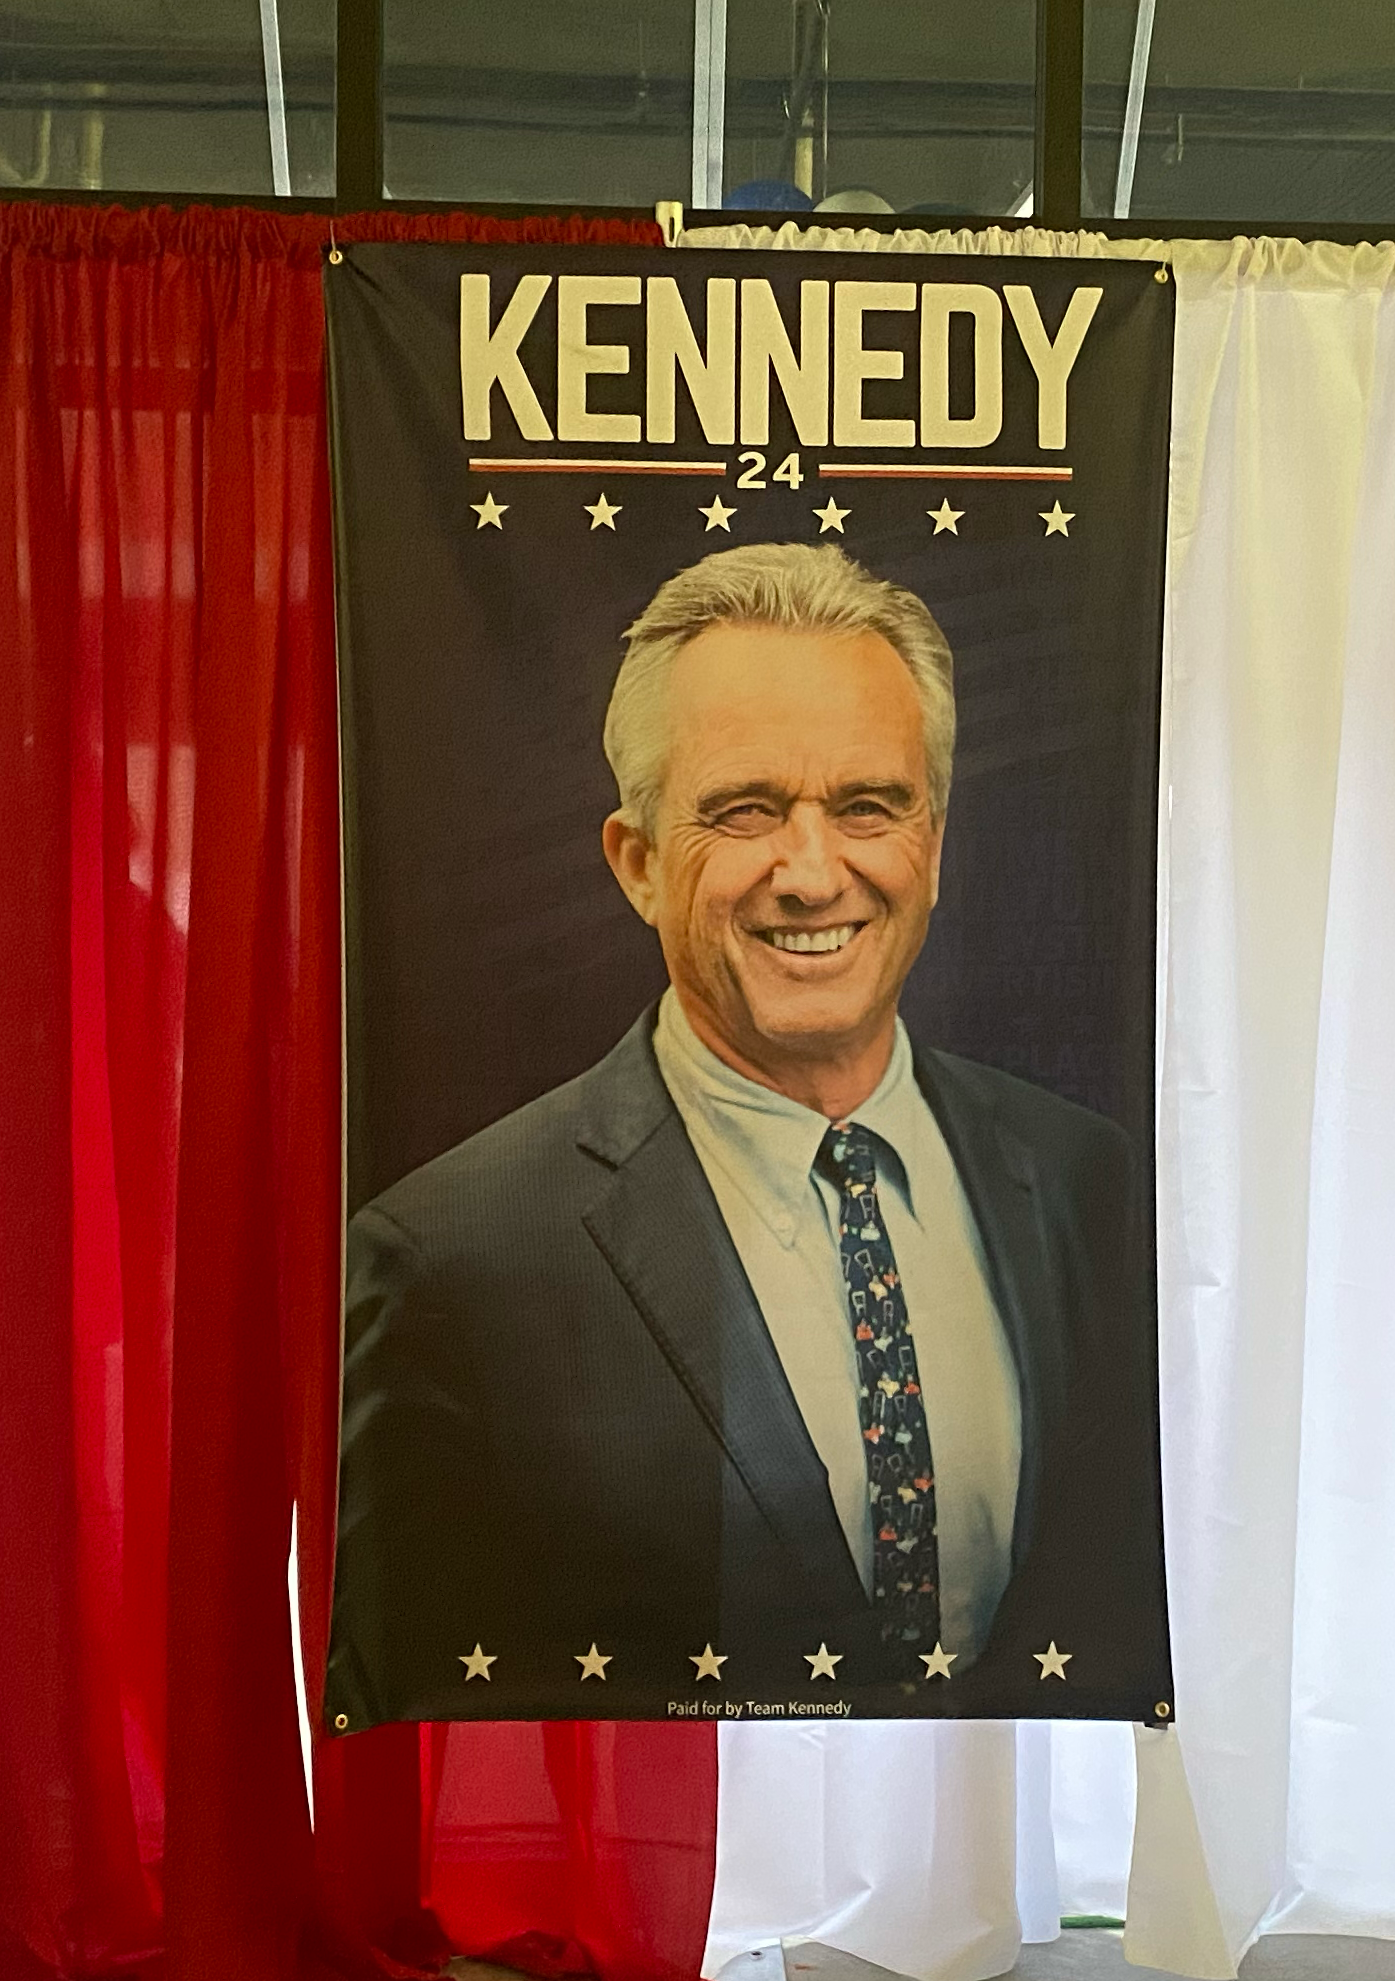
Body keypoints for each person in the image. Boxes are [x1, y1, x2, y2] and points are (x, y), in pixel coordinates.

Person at [330, 544, 1161, 1725]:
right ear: (639, 864)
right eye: (745, 811)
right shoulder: (448, 1260)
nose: (813, 872)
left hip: (996, 1849)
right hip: (673, 1874)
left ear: (935, 842)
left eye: (869, 805)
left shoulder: (1086, 1180)